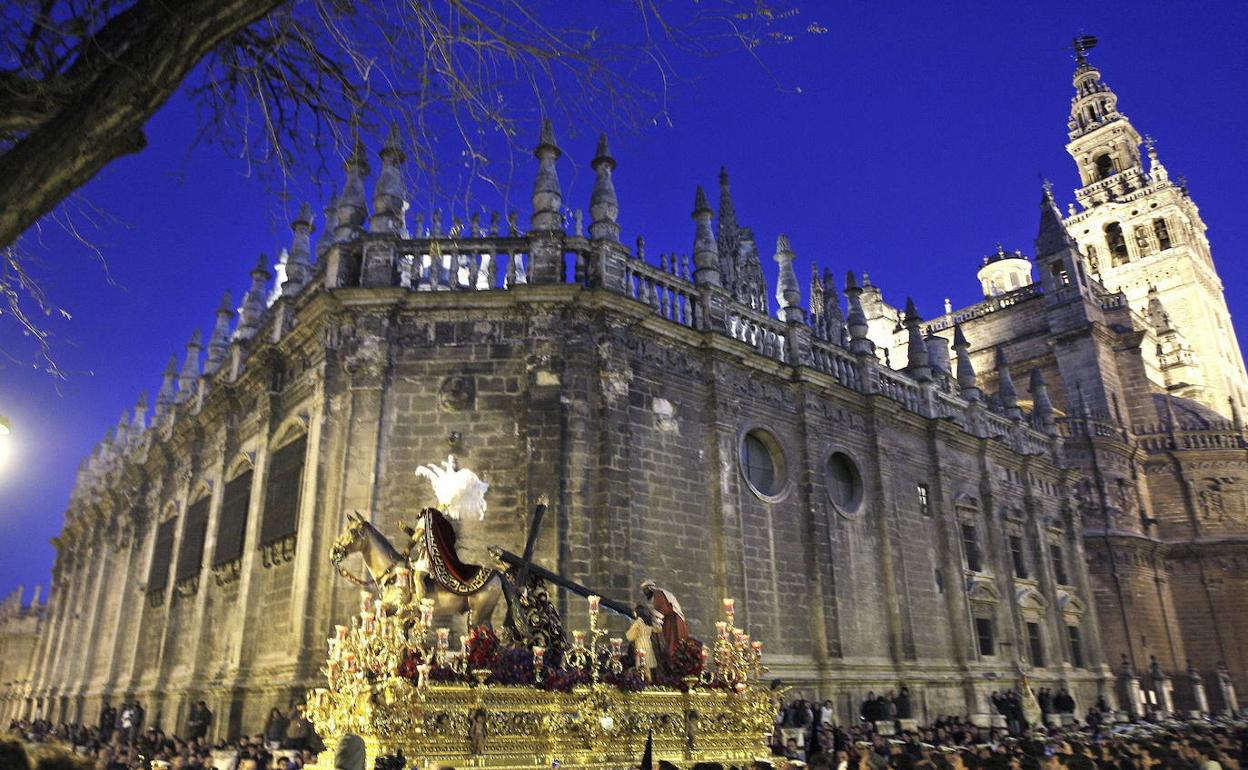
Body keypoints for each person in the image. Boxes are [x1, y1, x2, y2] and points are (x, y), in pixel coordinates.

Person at [639, 580, 688, 662]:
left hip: (674, 620)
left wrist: (655, 624)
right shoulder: (656, 595)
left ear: (650, 588)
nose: (645, 593)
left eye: (645, 591)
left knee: (672, 642)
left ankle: (673, 660)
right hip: (668, 620)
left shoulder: (658, 594)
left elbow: (662, 609)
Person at [626, 604, 660, 681]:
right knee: (647, 665)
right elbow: (658, 629)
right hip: (648, 644)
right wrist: (655, 620)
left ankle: (643, 682)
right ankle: (649, 680)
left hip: (641, 643)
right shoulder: (648, 622)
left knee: (641, 665)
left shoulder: (638, 622)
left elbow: (629, 636)